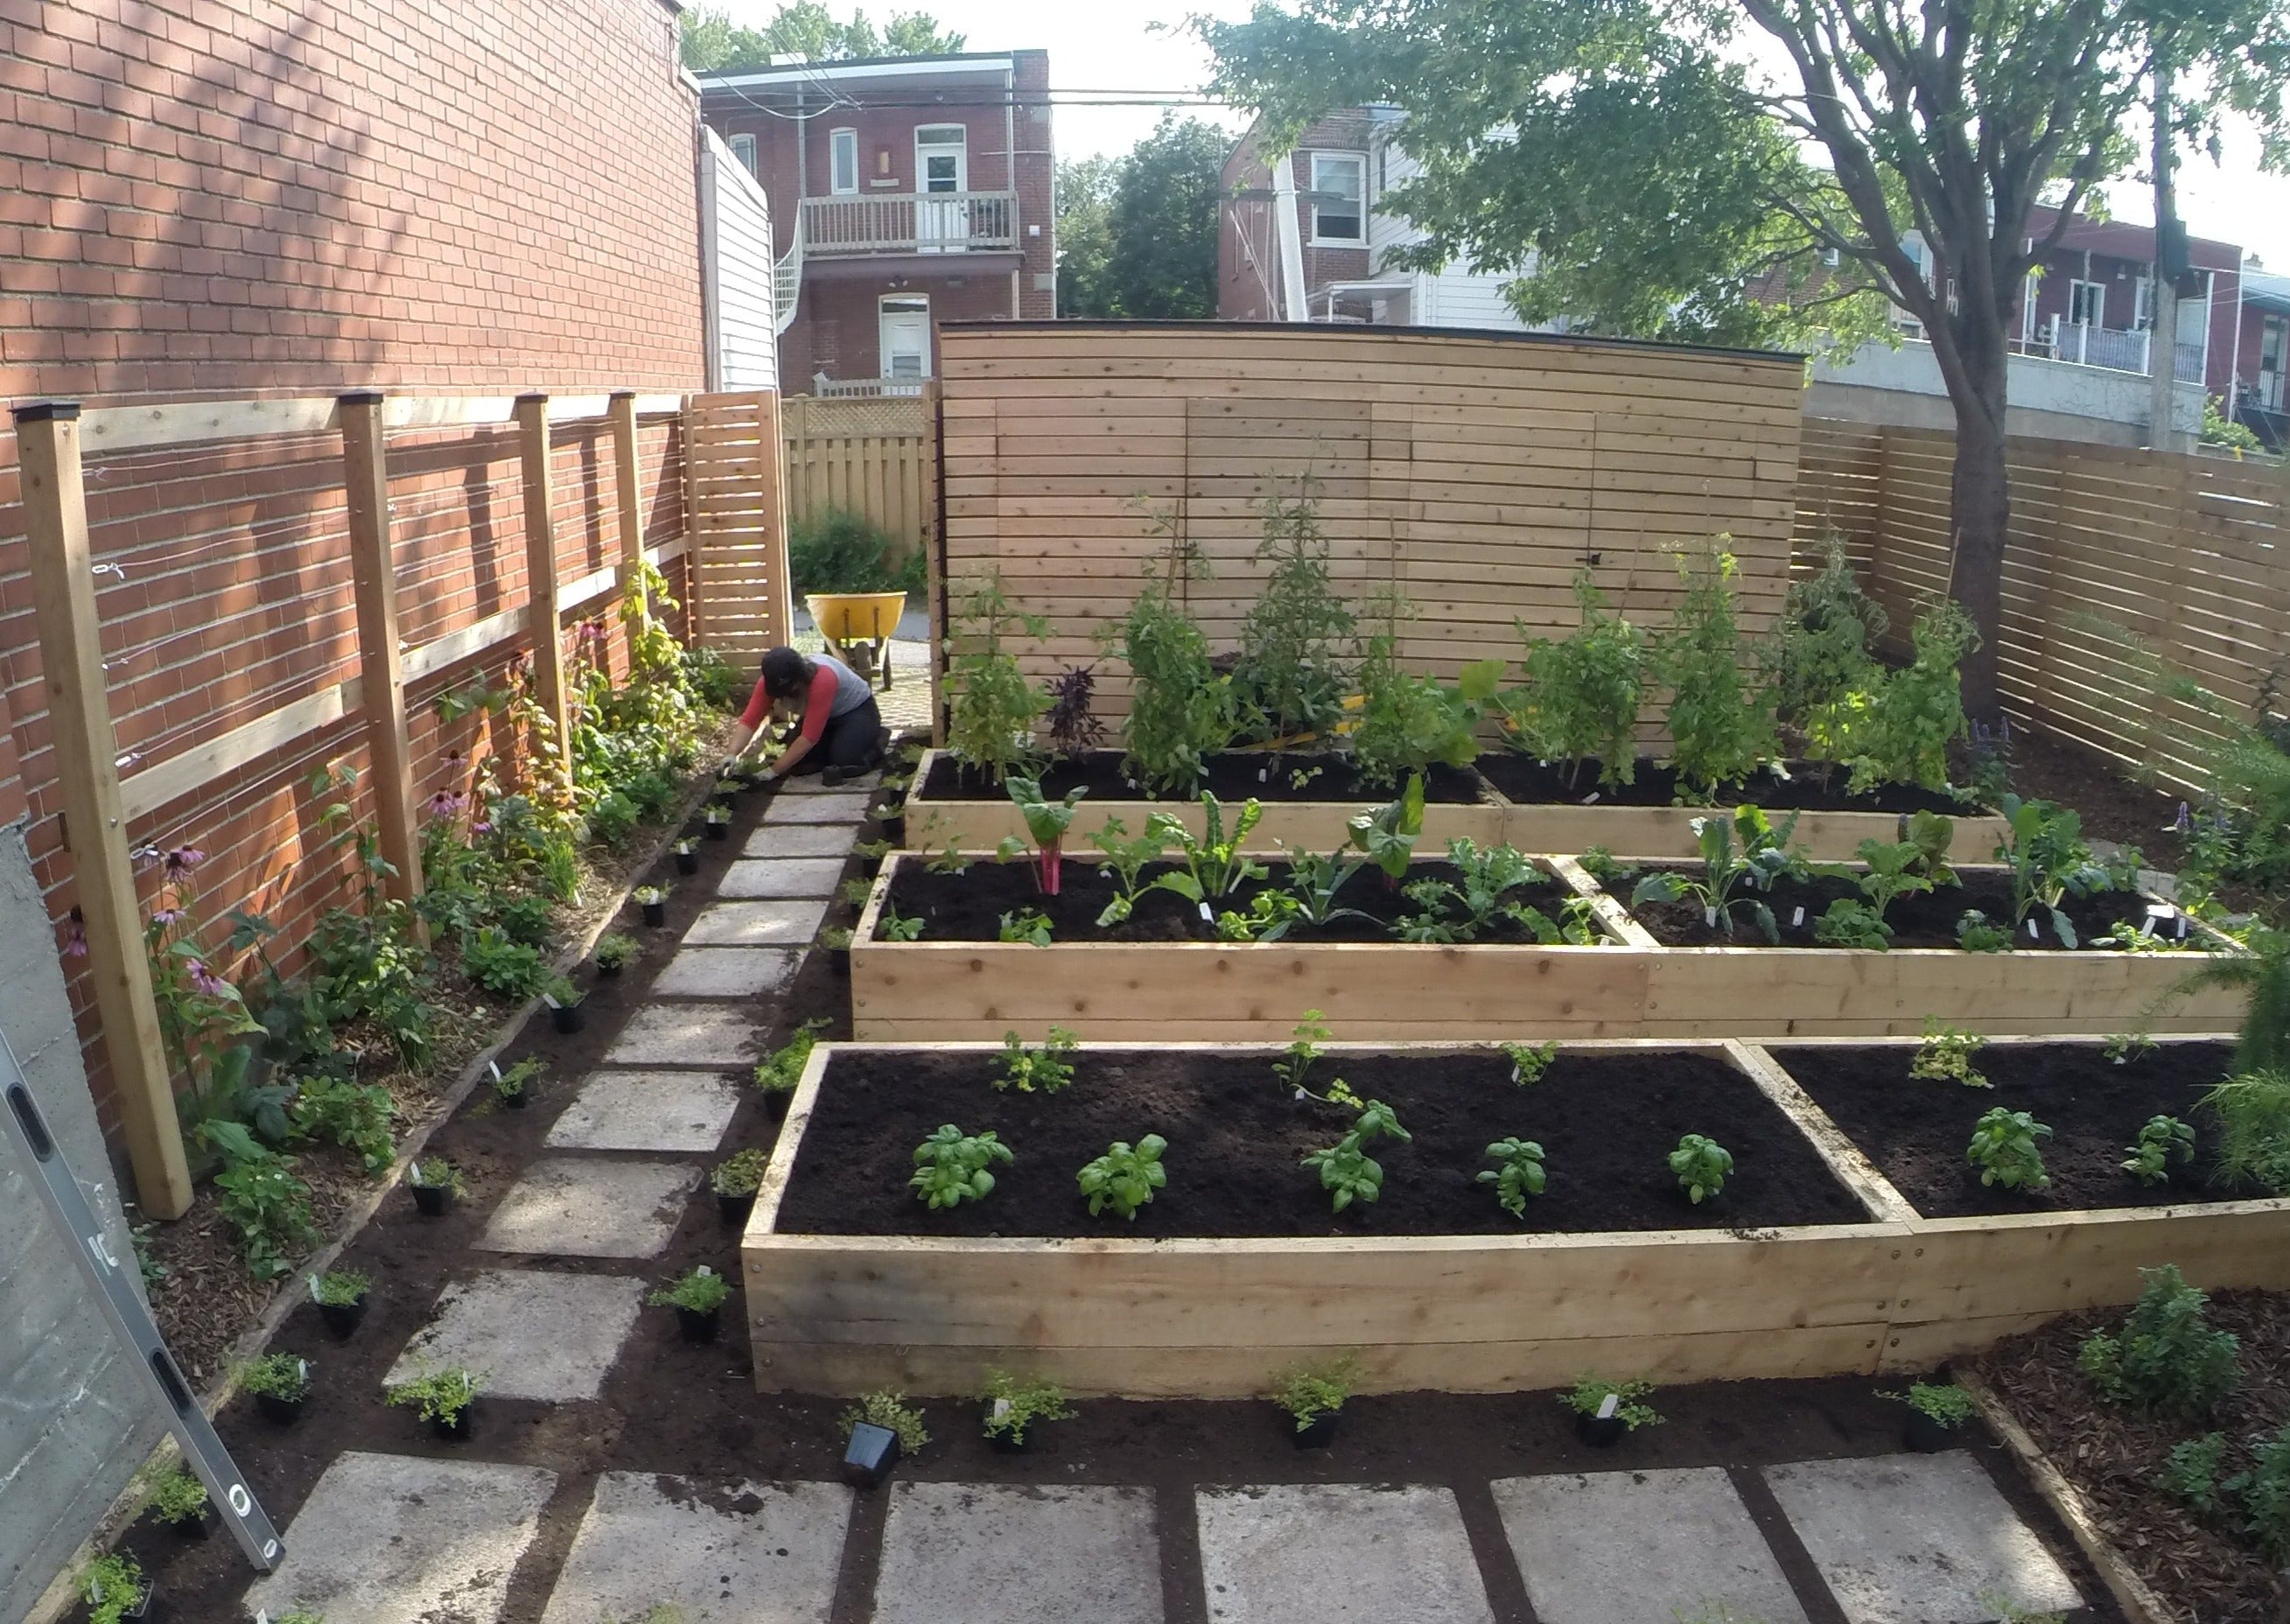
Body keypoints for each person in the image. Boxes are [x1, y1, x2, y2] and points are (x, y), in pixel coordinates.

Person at [724, 646, 885, 785]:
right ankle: (837, 743)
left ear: (801, 679)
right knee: (802, 764)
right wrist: (731, 754)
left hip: (857, 711)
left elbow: (809, 737)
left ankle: (876, 741)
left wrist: (772, 772)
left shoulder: (823, 679)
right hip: (825, 719)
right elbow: (750, 720)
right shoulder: (769, 681)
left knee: (845, 761)